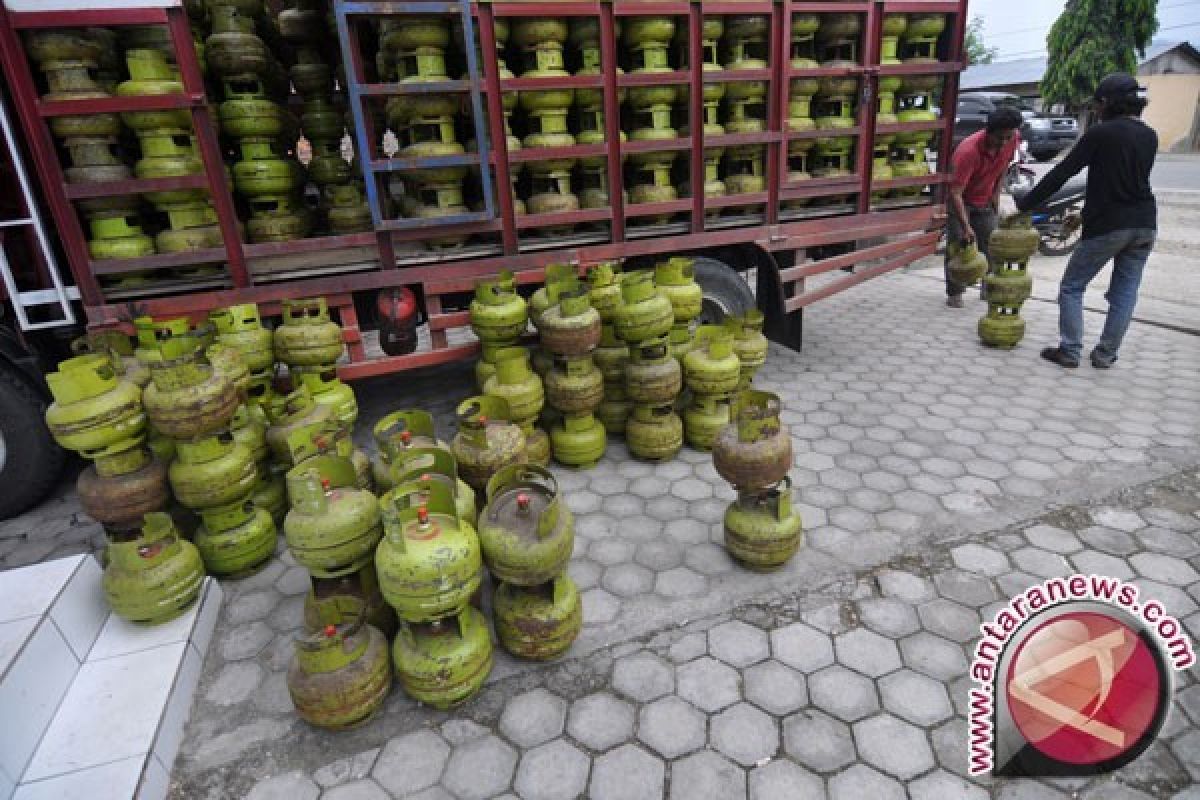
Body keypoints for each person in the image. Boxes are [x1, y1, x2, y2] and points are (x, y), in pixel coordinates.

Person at [1015, 73, 1157, 369]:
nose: (1095, 110)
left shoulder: (1101, 134)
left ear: (1106, 103)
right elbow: (1120, 180)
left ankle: (1070, 350)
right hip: (1145, 223)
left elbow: (1062, 172)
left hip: (1109, 224)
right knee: (1125, 293)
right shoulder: (1149, 135)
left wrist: (1027, 204)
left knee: (1071, 287)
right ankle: (1105, 355)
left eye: (1097, 104)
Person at [944, 107, 1024, 307]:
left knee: (990, 245)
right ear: (989, 131)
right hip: (960, 202)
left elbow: (1005, 164)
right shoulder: (967, 152)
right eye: (1000, 138)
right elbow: (955, 193)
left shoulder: (1012, 137)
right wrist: (965, 226)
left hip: (986, 199)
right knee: (959, 247)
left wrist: (996, 194)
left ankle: (987, 287)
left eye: (1008, 137)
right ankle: (955, 292)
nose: (1004, 142)